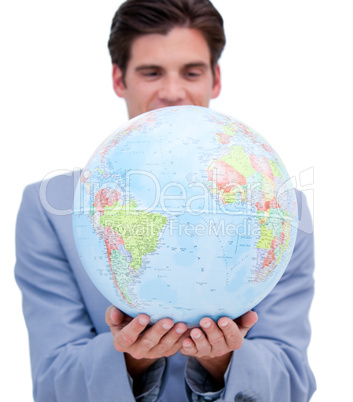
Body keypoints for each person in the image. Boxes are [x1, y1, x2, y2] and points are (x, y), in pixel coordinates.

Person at [15, 0, 316, 401]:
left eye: (192, 72)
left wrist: (223, 361)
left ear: (216, 79)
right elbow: (51, 383)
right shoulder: (49, 208)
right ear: (119, 80)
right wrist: (131, 360)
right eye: (151, 72)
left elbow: (293, 381)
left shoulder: (276, 208)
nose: (173, 92)